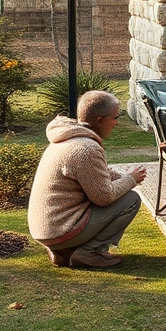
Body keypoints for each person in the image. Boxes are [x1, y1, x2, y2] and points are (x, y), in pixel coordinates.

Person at [28, 91, 147, 269]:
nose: (117, 123)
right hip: (60, 230)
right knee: (130, 200)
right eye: (115, 117)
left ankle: (64, 252)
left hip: (47, 230)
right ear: (100, 120)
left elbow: (97, 174)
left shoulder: (67, 138)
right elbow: (104, 196)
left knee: (121, 194)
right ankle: (89, 253)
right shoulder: (86, 148)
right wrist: (131, 179)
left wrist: (125, 176)